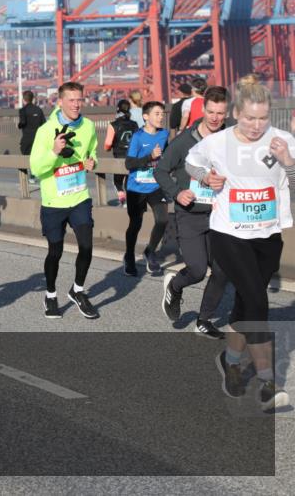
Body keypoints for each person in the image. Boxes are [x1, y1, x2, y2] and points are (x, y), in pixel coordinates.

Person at [185, 80, 292, 411]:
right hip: (229, 235)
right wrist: (204, 177)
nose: (256, 125)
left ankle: (230, 361)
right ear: (235, 114)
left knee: (246, 305)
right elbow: (191, 161)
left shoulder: (283, 140)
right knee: (258, 300)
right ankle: (267, 383)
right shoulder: (218, 142)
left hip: (268, 237)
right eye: (249, 118)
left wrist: (287, 161)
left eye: (262, 118)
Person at [154, 86, 230, 337]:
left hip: (220, 216)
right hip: (190, 214)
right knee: (197, 270)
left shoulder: (231, 137)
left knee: (222, 270)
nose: (215, 118)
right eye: (211, 112)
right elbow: (161, 170)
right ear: (203, 109)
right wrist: (177, 193)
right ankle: (174, 286)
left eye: (220, 112)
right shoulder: (184, 142)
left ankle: (204, 320)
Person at [29, 81, 99, 320]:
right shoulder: (46, 131)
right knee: (55, 252)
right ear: (60, 102)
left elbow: (92, 151)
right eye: (71, 100)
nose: (76, 104)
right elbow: (36, 169)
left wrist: (92, 161)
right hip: (54, 202)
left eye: (79, 99)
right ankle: (50, 294)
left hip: (79, 197)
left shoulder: (88, 126)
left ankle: (77, 290)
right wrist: (54, 152)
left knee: (87, 247)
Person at [122, 101, 169, 276]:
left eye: (162, 113)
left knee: (163, 220)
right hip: (136, 188)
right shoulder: (138, 137)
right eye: (157, 113)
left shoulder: (164, 134)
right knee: (135, 224)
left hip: (156, 186)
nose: (161, 117)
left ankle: (150, 251)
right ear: (145, 117)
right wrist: (150, 157)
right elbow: (129, 163)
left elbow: (169, 155)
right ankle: (129, 256)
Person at [104, 99, 138, 206]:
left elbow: (108, 144)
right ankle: (131, 201)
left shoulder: (113, 124)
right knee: (130, 180)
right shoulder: (134, 124)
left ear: (118, 109)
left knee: (117, 181)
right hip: (132, 157)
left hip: (119, 157)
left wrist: (107, 149)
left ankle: (122, 197)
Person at [17, 90, 46, 157]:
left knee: (26, 157)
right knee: (37, 157)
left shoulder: (23, 110)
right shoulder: (38, 110)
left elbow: (23, 122)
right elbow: (44, 124)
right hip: (38, 139)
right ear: (32, 98)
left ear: (23, 99)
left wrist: (19, 125)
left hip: (27, 139)